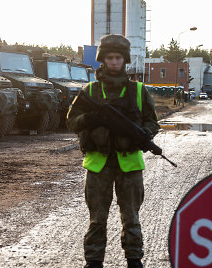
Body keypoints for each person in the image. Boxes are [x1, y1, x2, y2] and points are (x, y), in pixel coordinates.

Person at [66, 34, 160, 268]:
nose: (114, 62)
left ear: (125, 60)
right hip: (99, 164)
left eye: (118, 57)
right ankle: (94, 261)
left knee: (131, 219)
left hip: (129, 164)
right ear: (102, 59)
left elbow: (152, 122)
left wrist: (144, 135)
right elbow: (71, 121)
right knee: (97, 219)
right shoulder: (90, 91)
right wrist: (92, 117)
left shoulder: (139, 91)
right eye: (110, 57)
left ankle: (134, 259)